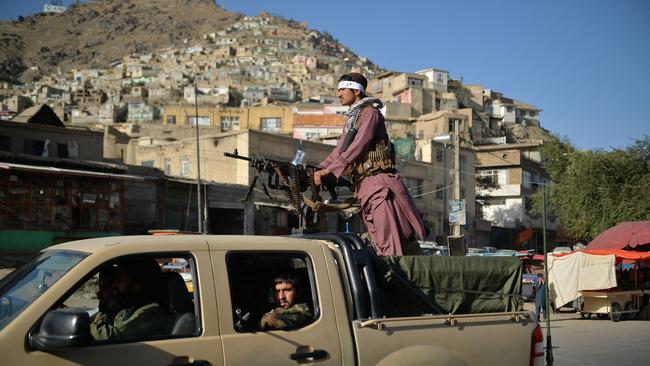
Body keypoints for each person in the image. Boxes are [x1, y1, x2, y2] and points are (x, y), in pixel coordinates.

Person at [313, 72, 427, 256]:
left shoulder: (370, 114)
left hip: (380, 185)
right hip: (366, 187)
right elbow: (340, 150)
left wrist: (331, 171)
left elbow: (359, 145)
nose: (338, 93)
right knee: (380, 242)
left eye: (342, 89)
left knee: (390, 244)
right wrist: (319, 169)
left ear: (356, 91)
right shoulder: (353, 119)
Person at [91, 257, 173, 340]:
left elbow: (114, 336)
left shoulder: (150, 312)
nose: (114, 285)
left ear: (137, 285)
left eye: (120, 280)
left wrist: (87, 325)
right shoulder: (129, 307)